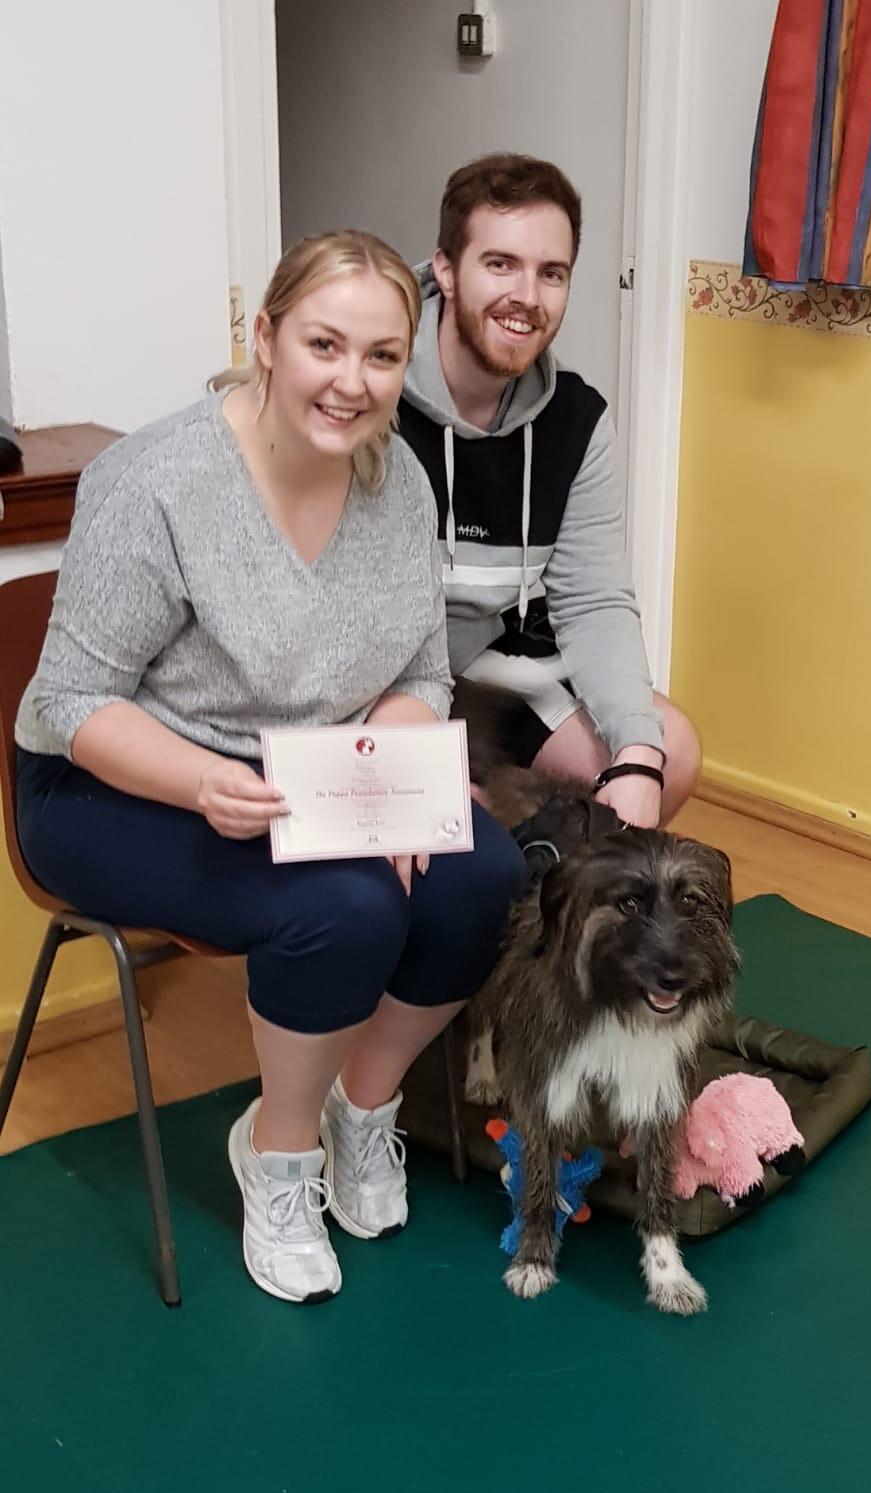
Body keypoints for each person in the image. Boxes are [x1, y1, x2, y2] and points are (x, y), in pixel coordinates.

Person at [14, 231, 526, 1305]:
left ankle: (360, 1107)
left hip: (313, 775)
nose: (351, 382)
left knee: (482, 875)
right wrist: (201, 783)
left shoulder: (399, 482)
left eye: (381, 357)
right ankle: (279, 1154)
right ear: (266, 337)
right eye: (324, 345)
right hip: (112, 783)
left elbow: (422, 673)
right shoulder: (154, 481)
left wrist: (395, 771)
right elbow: (69, 705)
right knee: (344, 907)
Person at [396, 153, 702, 831]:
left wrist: (637, 755)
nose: (527, 297)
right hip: (382, 677)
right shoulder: (369, 389)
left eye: (551, 273)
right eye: (500, 264)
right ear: (445, 269)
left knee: (668, 751)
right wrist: (421, 760)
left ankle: (553, 894)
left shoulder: (576, 421)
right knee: (459, 830)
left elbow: (594, 601)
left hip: (488, 661)